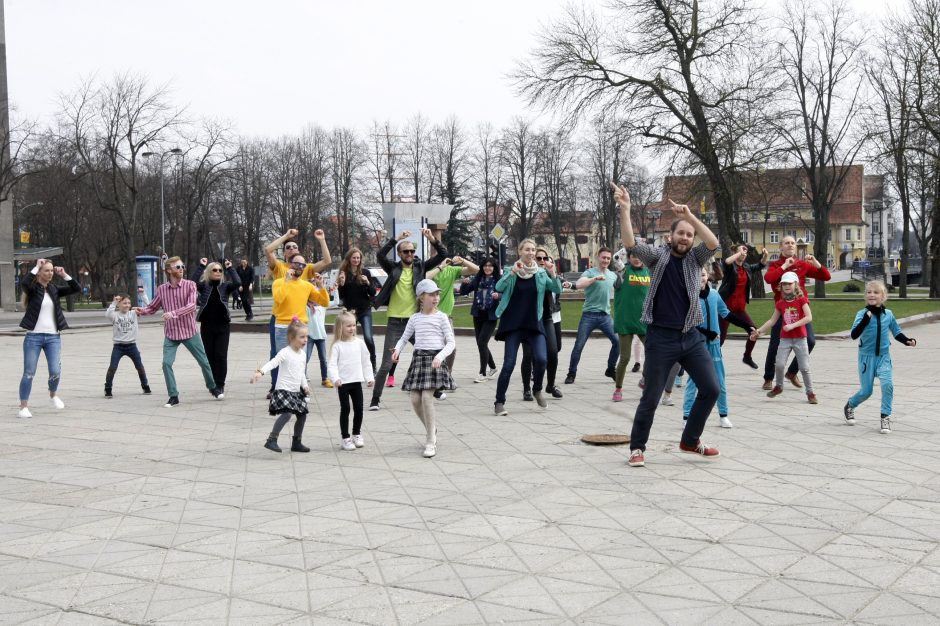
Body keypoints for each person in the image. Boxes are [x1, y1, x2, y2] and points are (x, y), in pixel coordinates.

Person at [612, 182, 722, 468]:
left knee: (711, 388)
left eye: (689, 234)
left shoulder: (696, 259)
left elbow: (713, 243)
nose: (685, 238)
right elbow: (630, 244)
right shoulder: (658, 256)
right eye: (681, 233)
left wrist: (692, 217)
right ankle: (637, 448)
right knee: (651, 396)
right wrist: (625, 209)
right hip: (661, 339)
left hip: (691, 337)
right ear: (670, 236)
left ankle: (690, 440)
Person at [369, 228, 447, 411]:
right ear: (399, 254)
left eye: (412, 251)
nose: (410, 254)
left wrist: (432, 239)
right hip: (395, 322)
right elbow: (380, 255)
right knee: (387, 363)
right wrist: (395, 239)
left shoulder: (420, 267)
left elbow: (443, 254)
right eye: (406, 251)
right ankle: (375, 399)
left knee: (431, 353)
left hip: (414, 322)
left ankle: (435, 389)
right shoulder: (393, 268)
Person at [137, 256, 222, 407]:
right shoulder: (162, 289)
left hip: (189, 331)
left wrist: (173, 313)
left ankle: (212, 387)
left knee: (204, 362)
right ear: (168, 270)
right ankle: (173, 396)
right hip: (171, 334)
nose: (181, 269)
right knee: (166, 364)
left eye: (182, 267)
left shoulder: (190, 285)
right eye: (178, 267)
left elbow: (191, 306)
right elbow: (152, 307)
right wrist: (141, 311)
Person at [492, 239, 562, 415]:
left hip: (533, 323)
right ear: (520, 251)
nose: (531, 253)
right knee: (509, 364)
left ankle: (537, 389)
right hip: (514, 324)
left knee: (542, 359)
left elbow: (556, 288)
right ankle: (499, 401)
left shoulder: (540, 273)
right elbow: (498, 287)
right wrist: (512, 273)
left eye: (533, 250)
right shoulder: (511, 270)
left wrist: (552, 273)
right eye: (527, 250)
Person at [682, 267, 756, 428]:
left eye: (702, 274)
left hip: (714, 346)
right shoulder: (689, 297)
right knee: (693, 382)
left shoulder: (715, 295)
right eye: (695, 275)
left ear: (707, 276)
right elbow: (686, 324)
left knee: (720, 381)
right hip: (696, 346)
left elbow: (726, 314)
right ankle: (687, 416)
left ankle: (723, 415)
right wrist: (707, 333)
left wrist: (747, 326)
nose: (699, 278)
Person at [392, 279, 456, 458]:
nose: (435, 298)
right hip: (419, 359)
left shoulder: (442, 317)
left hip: (435, 359)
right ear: (421, 297)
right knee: (414, 399)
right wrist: (397, 350)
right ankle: (432, 428)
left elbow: (451, 343)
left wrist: (440, 356)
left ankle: (430, 440)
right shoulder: (415, 318)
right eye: (431, 295)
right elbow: (404, 338)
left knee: (427, 397)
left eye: (437, 294)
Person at [264, 228, 332, 392]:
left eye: (295, 247)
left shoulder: (305, 268)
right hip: (280, 317)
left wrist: (322, 240)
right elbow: (268, 250)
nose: (292, 248)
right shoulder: (280, 268)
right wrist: (287, 236)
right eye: (288, 247)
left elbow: (326, 261)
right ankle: (276, 386)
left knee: (297, 355)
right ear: (285, 253)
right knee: (278, 354)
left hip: (299, 318)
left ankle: (297, 386)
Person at [844, 280, 916, 434]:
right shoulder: (861, 314)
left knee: (887, 385)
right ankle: (850, 405)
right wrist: (866, 319)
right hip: (866, 358)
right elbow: (853, 335)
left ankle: (885, 416)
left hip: (884, 357)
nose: (872, 295)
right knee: (866, 391)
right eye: (869, 292)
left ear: (883, 296)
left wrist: (907, 341)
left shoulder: (888, 314)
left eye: (876, 292)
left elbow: (896, 332)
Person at [762, 236, 830, 389]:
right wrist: (784, 266)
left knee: (810, 341)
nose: (790, 245)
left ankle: (792, 372)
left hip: (800, 311)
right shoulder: (776, 265)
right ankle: (768, 378)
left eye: (793, 243)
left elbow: (826, 276)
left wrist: (815, 262)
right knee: (775, 344)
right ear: (781, 247)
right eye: (787, 243)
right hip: (782, 311)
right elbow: (768, 278)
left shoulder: (802, 264)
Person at [17, 258, 81, 418]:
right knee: (29, 372)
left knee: (55, 371)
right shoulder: (32, 289)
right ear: (39, 273)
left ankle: (53, 395)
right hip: (33, 338)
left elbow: (76, 288)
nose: (50, 273)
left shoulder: (54, 289)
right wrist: (36, 266)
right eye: (47, 270)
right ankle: (23, 407)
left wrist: (64, 274)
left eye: (52, 270)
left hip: (53, 337)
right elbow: (24, 283)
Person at [751, 272, 817, 404]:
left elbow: (809, 317)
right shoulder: (780, 303)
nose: (786, 286)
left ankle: (810, 392)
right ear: (781, 286)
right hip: (785, 340)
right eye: (784, 283)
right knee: (779, 365)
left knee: (804, 368)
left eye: (789, 283)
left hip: (800, 339)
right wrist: (758, 331)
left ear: (796, 285)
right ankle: (779, 386)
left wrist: (793, 325)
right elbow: (772, 321)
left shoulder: (802, 300)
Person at [251, 318, 311, 453]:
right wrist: (261, 372)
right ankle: (271, 439)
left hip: (296, 391)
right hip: (284, 389)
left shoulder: (302, 354)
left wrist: (305, 385)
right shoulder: (285, 352)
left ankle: (297, 442)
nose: (305, 340)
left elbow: (301, 372)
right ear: (291, 337)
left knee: (302, 414)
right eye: (302, 337)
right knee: (287, 414)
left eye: (306, 336)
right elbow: (273, 362)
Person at [564, 247, 620, 385]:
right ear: (598, 257)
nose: (606, 260)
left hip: (605, 316)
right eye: (603, 257)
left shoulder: (613, 275)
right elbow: (579, 284)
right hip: (589, 316)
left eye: (608, 258)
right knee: (579, 345)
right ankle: (571, 373)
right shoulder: (590, 272)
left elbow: (623, 289)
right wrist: (594, 279)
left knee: (618, 341)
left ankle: (611, 368)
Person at [426, 253, 479, 398]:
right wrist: (440, 266)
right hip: (429, 316)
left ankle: (445, 378)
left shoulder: (452, 271)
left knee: (451, 348)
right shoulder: (430, 270)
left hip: (446, 316)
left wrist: (464, 260)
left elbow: (476, 270)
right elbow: (426, 277)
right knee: (431, 349)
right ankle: (426, 379)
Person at [192, 258, 241, 394]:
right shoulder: (203, 285)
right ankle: (212, 382)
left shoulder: (225, 286)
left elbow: (238, 282)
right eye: (215, 270)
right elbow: (191, 283)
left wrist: (230, 268)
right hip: (207, 326)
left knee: (221, 355)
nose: (218, 272)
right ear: (209, 272)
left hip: (223, 326)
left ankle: (220, 384)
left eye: (220, 270)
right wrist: (201, 266)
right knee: (209, 356)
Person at [520, 248, 564, 400]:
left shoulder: (546, 275)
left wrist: (552, 273)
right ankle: (527, 389)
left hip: (546, 318)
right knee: (528, 355)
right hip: (528, 319)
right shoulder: (526, 273)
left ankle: (550, 385)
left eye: (545, 258)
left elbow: (558, 289)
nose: (542, 261)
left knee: (553, 351)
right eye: (539, 258)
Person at [328, 309, 375, 450]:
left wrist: (369, 377)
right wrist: (335, 378)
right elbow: (332, 365)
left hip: (356, 382)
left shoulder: (359, 343)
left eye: (354, 325)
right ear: (340, 327)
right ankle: (345, 438)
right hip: (342, 383)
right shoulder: (337, 346)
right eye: (348, 326)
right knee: (346, 409)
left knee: (359, 409)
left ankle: (356, 434)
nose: (352, 328)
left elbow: (366, 361)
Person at [718, 244, 768, 369]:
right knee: (720, 339)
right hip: (724, 310)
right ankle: (705, 359)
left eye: (745, 252)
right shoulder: (730, 267)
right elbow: (726, 262)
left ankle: (747, 356)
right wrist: (738, 253)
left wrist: (765, 256)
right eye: (741, 251)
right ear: (735, 252)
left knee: (753, 331)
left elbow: (760, 265)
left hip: (739, 309)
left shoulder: (746, 267)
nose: (744, 254)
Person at [612, 251, 650, 402]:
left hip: (644, 320)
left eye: (641, 256)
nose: (637, 259)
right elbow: (616, 258)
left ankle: (645, 380)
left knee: (653, 355)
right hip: (625, 320)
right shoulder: (624, 271)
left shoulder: (649, 272)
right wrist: (627, 248)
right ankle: (618, 388)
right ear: (629, 258)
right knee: (625, 358)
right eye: (634, 256)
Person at [459, 256, 501, 383]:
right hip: (478, 315)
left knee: (482, 342)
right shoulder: (478, 279)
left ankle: (482, 373)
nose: (488, 268)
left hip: (491, 316)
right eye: (485, 266)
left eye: (490, 266)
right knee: (481, 343)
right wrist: (464, 283)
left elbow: (507, 294)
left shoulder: (499, 281)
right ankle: (493, 368)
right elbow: (464, 291)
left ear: (494, 268)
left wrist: (498, 295)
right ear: (482, 267)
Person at [335, 247, 377, 370]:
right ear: (349, 259)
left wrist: (368, 283)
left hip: (364, 309)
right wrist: (341, 284)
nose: (356, 260)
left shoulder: (365, 272)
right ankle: (348, 365)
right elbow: (341, 296)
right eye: (354, 258)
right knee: (347, 338)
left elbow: (373, 292)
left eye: (358, 258)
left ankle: (372, 364)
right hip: (350, 311)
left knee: (368, 337)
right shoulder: (343, 273)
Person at [104, 294, 151, 398]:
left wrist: (143, 295)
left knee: (140, 367)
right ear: (119, 304)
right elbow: (107, 314)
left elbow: (149, 307)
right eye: (124, 303)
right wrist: (114, 303)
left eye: (129, 303)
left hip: (132, 346)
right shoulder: (115, 315)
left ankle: (145, 385)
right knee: (112, 367)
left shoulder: (133, 313)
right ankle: (108, 388)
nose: (127, 305)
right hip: (118, 346)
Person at [306, 273, 332, 388]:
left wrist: (329, 288)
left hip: (321, 336)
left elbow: (333, 301)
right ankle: (302, 376)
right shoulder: (305, 306)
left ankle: (325, 378)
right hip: (309, 336)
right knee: (305, 357)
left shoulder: (322, 306)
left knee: (323, 359)